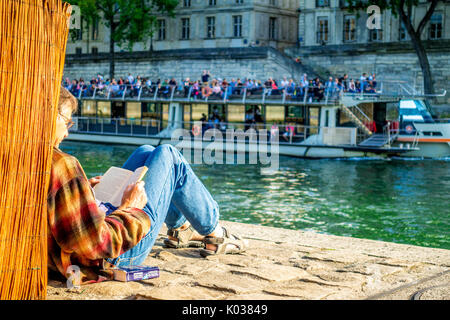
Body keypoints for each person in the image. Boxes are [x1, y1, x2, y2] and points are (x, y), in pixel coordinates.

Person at [48, 87, 247, 284]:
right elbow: (96, 244)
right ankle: (214, 233)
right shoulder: (64, 164)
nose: (67, 132)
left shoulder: (40, 159)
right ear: (50, 116)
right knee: (168, 155)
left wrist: (83, 192)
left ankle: (181, 229)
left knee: (145, 152)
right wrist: (129, 208)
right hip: (112, 255)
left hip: (80, 242)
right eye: (67, 122)